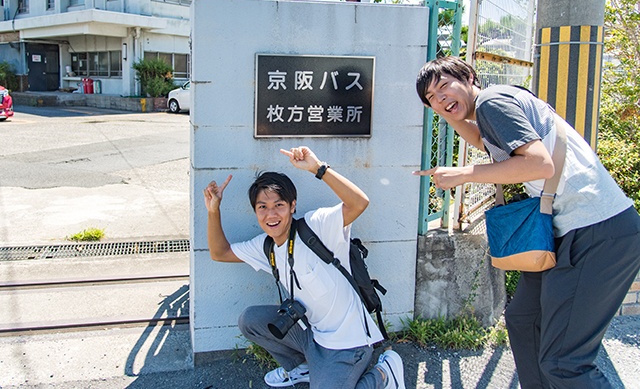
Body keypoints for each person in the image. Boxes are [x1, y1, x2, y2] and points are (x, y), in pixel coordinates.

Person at [413, 56, 640, 388]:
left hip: (596, 230)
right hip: (571, 230)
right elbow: (482, 141)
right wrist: (449, 112)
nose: (440, 99)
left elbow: (539, 165)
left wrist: (462, 174)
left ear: (469, 77)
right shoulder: (493, 107)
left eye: (445, 86)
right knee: (524, 320)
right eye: (431, 98)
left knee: (564, 362)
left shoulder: (493, 103)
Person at [203, 146, 406, 389]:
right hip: (311, 335)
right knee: (251, 320)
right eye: (262, 207)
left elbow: (359, 203)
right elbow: (220, 252)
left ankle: (384, 374)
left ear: (292, 206)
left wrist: (318, 169)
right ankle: (302, 369)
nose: (271, 214)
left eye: (279, 205)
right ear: (256, 212)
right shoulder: (266, 246)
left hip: (348, 344)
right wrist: (213, 210)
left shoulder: (316, 226)